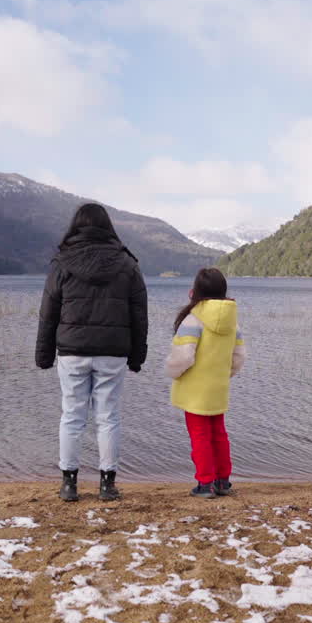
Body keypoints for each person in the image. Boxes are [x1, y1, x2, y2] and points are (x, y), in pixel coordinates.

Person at [36, 203, 148, 502]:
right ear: (108, 227)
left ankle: (69, 484)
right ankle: (107, 485)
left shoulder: (62, 262)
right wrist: (138, 355)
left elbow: (48, 313)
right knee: (108, 417)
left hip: (72, 350)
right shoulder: (127, 264)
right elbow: (139, 314)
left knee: (72, 416)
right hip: (113, 351)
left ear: (76, 226)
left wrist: (44, 355)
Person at [164, 267, 246, 498]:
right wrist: (223, 374)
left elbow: (183, 357)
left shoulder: (193, 319)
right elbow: (239, 357)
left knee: (200, 435)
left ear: (196, 292)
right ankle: (222, 481)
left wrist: (172, 372)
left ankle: (205, 483)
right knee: (219, 434)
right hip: (218, 387)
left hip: (194, 390)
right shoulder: (233, 323)